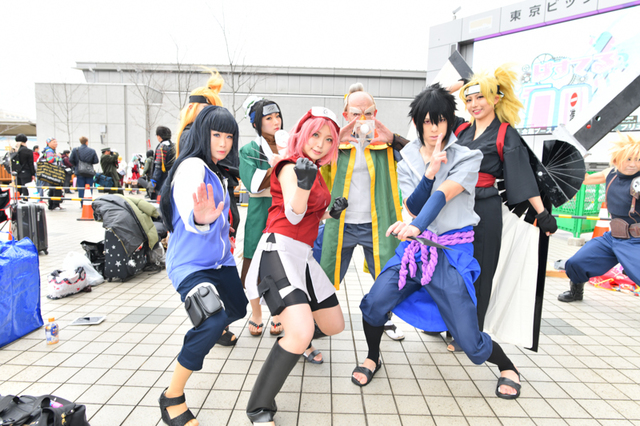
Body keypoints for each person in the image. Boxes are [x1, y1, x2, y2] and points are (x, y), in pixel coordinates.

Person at [354, 84, 522, 400]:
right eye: (427, 122)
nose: (434, 129)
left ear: (449, 120)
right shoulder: (406, 159)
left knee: (469, 340)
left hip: (450, 251)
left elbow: (444, 196)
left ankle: (507, 367)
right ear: (417, 123)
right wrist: (429, 174)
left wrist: (415, 226)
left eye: (440, 120)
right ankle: (372, 356)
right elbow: (413, 205)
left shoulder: (468, 156)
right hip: (414, 251)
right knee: (374, 303)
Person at [244, 108, 347, 425]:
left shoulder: (313, 169)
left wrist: (331, 213)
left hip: (302, 255)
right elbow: (293, 214)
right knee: (302, 332)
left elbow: (312, 213)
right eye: (315, 135)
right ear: (302, 134)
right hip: (279, 250)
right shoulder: (290, 166)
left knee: (334, 324)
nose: (321, 144)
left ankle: (296, 337)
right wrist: (303, 185)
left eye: (328, 139)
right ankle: (259, 407)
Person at [450, 66, 557, 351]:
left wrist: (542, 214)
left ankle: (470, 332)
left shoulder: (505, 133)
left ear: (496, 98)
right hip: (454, 206)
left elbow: (522, 176)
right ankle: (449, 323)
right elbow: (431, 112)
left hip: (485, 207)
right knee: (451, 267)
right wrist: (456, 86)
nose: (474, 104)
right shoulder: (461, 129)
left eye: (480, 97)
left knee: (481, 270)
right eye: (468, 99)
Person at [157, 105, 248, 426]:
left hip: (220, 262)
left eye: (229, 136)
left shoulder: (216, 169)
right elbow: (189, 208)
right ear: (201, 134)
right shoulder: (193, 166)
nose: (223, 143)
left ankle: (218, 328)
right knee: (211, 321)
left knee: (238, 308)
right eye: (216, 134)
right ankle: (172, 397)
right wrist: (199, 218)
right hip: (190, 265)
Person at [320, 83, 408, 341]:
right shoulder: (334, 145)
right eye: (355, 113)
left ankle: (385, 319)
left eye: (367, 112)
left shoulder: (386, 145)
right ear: (345, 114)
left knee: (385, 277)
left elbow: (419, 160)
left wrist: (395, 139)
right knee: (324, 274)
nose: (362, 118)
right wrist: (335, 138)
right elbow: (308, 160)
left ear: (375, 114)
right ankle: (319, 321)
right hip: (341, 224)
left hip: (377, 224)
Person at [558, 133, 640, 302]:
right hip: (612, 238)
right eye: (628, 159)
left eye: (638, 160)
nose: (633, 164)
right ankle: (576, 292)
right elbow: (585, 179)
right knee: (576, 263)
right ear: (617, 159)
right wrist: (572, 160)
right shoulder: (611, 173)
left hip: (636, 241)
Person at [238, 98, 286, 339]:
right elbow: (253, 184)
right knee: (254, 266)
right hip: (260, 212)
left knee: (282, 264)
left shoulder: (290, 143)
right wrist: (280, 166)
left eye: (277, 116)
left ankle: (278, 313)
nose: (276, 122)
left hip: (284, 211)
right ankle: (256, 314)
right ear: (256, 124)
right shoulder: (249, 150)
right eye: (268, 118)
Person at [70, 136, 99, 207]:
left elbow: (70, 159)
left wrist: (76, 165)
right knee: (89, 187)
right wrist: (89, 163)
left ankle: (82, 203)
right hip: (89, 172)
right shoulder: (92, 150)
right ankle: (88, 202)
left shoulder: (75, 150)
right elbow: (96, 161)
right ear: (87, 142)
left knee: (81, 187)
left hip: (79, 171)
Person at [41, 138, 64, 210]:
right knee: (56, 189)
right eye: (54, 142)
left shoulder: (50, 150)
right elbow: (50, 160)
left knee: (52, 188)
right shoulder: (49, 150)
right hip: (53, 172)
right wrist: (58, 156)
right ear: (48, 143)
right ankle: (55, 205)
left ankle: (51, 205)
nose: (56, 143)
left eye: (56, 142)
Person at [151, 126, 175, 197]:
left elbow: (159, 165)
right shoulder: (174, 146)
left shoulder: (161, 147)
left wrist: (154, 179)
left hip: (163, 179)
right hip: (172, 176)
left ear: (159, 137)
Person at [15, 134, 36, 200]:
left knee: (18, 189)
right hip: (26, 172)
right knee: (26, 190)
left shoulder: (14, 150)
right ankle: (25, 201)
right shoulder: (28, 151)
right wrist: (33, 174)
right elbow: (30, 163)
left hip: (16, 172)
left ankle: (17, 202)